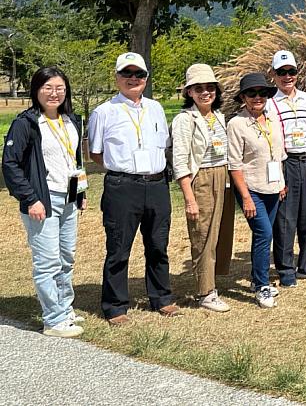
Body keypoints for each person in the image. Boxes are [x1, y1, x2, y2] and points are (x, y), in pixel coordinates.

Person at [88, 52, 181, 325]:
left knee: (158, 244)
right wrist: (123, 168)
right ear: (117, 78)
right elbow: (96, 153)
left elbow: (163, 145)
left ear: (146, 78)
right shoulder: (104, 112)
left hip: (156, 184)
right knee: (119, 247)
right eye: (127, 74)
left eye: (139, 74)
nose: (133, 79)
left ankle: (161, 297)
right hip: (122, 186)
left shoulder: (156, 108)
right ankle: (115, 305)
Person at [3, 67, 88, 338]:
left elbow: (75, 161)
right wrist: (30, 199)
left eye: (60, 88)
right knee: (47, 261)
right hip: (43, 199)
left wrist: (81, 192)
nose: (54, 93)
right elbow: (11, 164)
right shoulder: (26, 123)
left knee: (66, 258)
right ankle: (54, 320)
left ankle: (64, 308)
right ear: (36, 90)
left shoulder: (71, 120)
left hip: (69, 197)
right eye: (47, 88)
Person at [172, 64, 235, 312]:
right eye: (199, 88)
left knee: (219, 233)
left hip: (222, 176)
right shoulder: (185, 120)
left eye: (210, 88)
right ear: (189, 92)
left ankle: (212, 282)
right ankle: (204, 292)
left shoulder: (219, 117)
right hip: (202, 179)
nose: (205, 93)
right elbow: (180, 161)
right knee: (203, 235)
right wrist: (189, 197)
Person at [269, 51, 306, 287]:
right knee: (285, 217)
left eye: (291, 71)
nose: (287, 76)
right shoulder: (270, 103)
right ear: (273, 74)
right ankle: (285, 269)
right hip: (286, 162)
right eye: (282, 72)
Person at [228, 72, 286, 308]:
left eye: (262, 93)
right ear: (243, 97)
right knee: (264, 233)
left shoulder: (272, 120)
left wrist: (281, 184)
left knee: (263, 235)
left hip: (272, 186)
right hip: (251, 189)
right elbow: (234, 164)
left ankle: (255, 279)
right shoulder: (237, 124)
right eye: (251, 94)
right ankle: (262, 286)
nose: (257, 98)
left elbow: (278, 156)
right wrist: (245, 197)